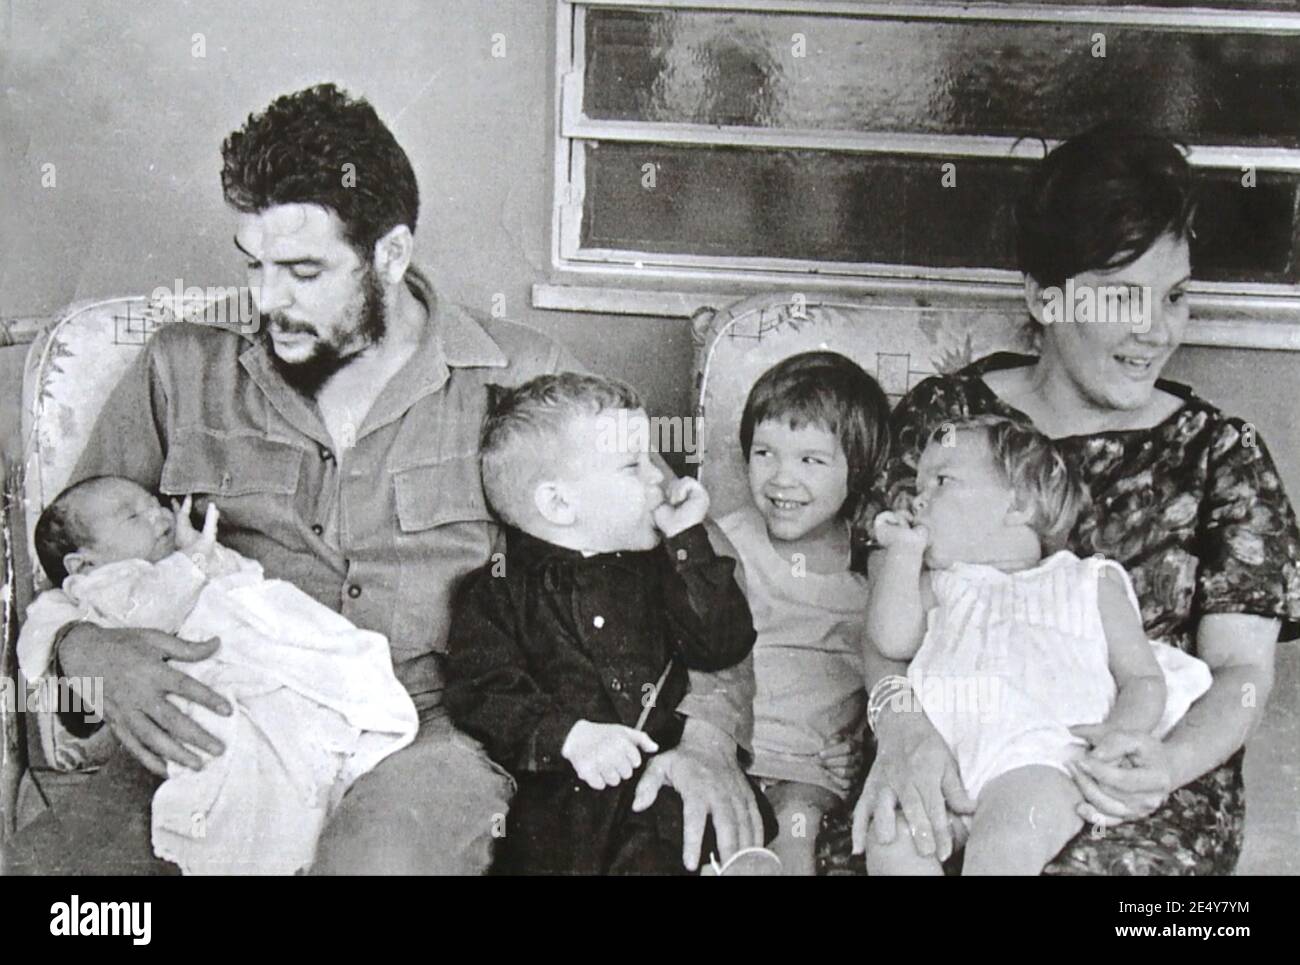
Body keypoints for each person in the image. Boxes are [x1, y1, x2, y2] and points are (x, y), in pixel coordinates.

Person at [4, 83, 763, 875]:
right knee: (63, 898)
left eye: (303, 270)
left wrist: (707, 737)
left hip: (430, 737)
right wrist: (89, 648)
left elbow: (692, 555)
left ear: (391, 255)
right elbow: (68, 555)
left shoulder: (525, 375)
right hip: (214, 721)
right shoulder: (181, 367)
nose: (268, 299)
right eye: (255, 264)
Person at [853, 123, 1300, 875]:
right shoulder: (946, 424)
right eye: (1124, 297)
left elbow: (1244, 675)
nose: (1155, 330)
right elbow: (884, 630)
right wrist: (902, 733)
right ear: (1043, 296)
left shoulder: (1222, 455)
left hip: (1130, 787)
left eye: (1176, 295)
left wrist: (1163, 759)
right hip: (948, 752)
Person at [445, 373, 776, 874]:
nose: (657, 479)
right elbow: (483, 690)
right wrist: (568, 735)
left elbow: (725, 643)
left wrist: (689, 544)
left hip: (663, 790)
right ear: (558, 504)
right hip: (562, 805)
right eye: (632, 467)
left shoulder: (665, 565)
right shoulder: (499, 590)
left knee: (686, 833)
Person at [865, 416, 1211, 875]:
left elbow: (1143, 676)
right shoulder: (939, 585)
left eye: (942, 480)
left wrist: (1124, 730)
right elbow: (888, 639)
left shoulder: (1088, 580)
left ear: (1019, 505)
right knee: (893, 840)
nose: (918, 497)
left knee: (1006, 843)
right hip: (942, 763)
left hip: (1040, 758)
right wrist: (903, 555)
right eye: (919, 483)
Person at [24, 477, 418, 874]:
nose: (158, 514)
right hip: (206, 687)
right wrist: (194, 555)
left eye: (154, 504)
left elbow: (244, 576)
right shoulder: (102, 584)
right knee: (244, 762)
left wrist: (205, 555)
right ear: (82, 563)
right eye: (132, 516)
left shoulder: (174, 558)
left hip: (268, 655)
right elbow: (146, 610)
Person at [716, 352, 891, 874]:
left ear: (855, 470)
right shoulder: (722, 544)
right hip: (729, 750)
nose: (781, 479)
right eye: (765, 452)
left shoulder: (875, 573)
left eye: (811, 460)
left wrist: (861, 745)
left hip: (810, 768)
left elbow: (882, 673)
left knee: (796, 823)